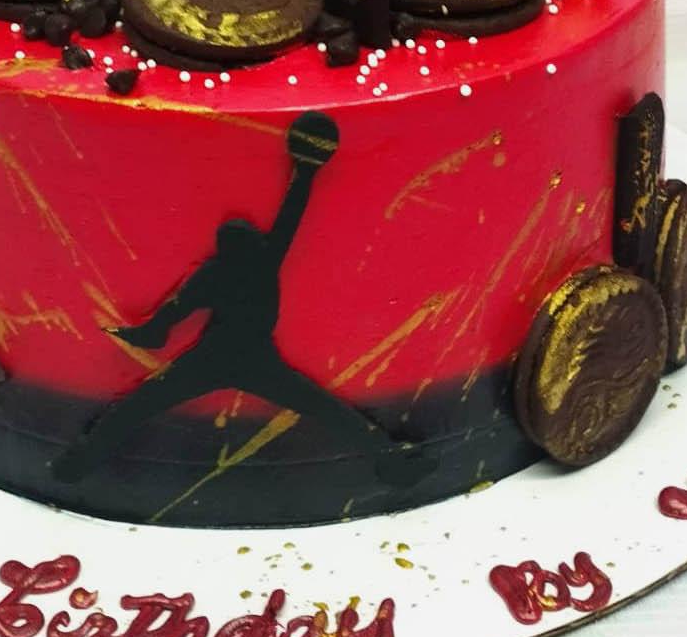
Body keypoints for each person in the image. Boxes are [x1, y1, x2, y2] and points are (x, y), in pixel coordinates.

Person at [52, 112, 432, 487]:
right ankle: (391, 461)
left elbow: (172, 313)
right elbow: (290, 217)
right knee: (326, 409)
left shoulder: (214, 273)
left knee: (139, 405)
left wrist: (149, 333)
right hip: (254, 359)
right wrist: (307, 169)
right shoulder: (263, 261)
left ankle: (82, 459)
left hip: (212, 358)